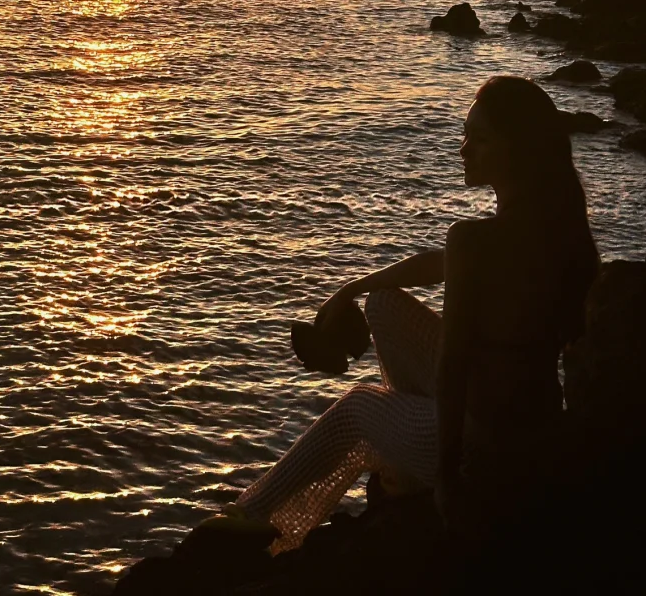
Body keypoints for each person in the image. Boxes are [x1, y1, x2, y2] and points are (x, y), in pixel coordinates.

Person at [205, 77, 600, 550]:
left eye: (479, 139)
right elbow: (446, 263)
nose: (463, 149)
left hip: (477, 445)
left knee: (357, 406)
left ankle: (259, 513)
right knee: (383, 302)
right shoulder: (562, 230)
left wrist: (449, 477)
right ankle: (401, 455)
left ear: (513, 151)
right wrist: (355, 286)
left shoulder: (476, 241)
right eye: (466, 134)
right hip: (531, 423)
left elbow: (453, 365)